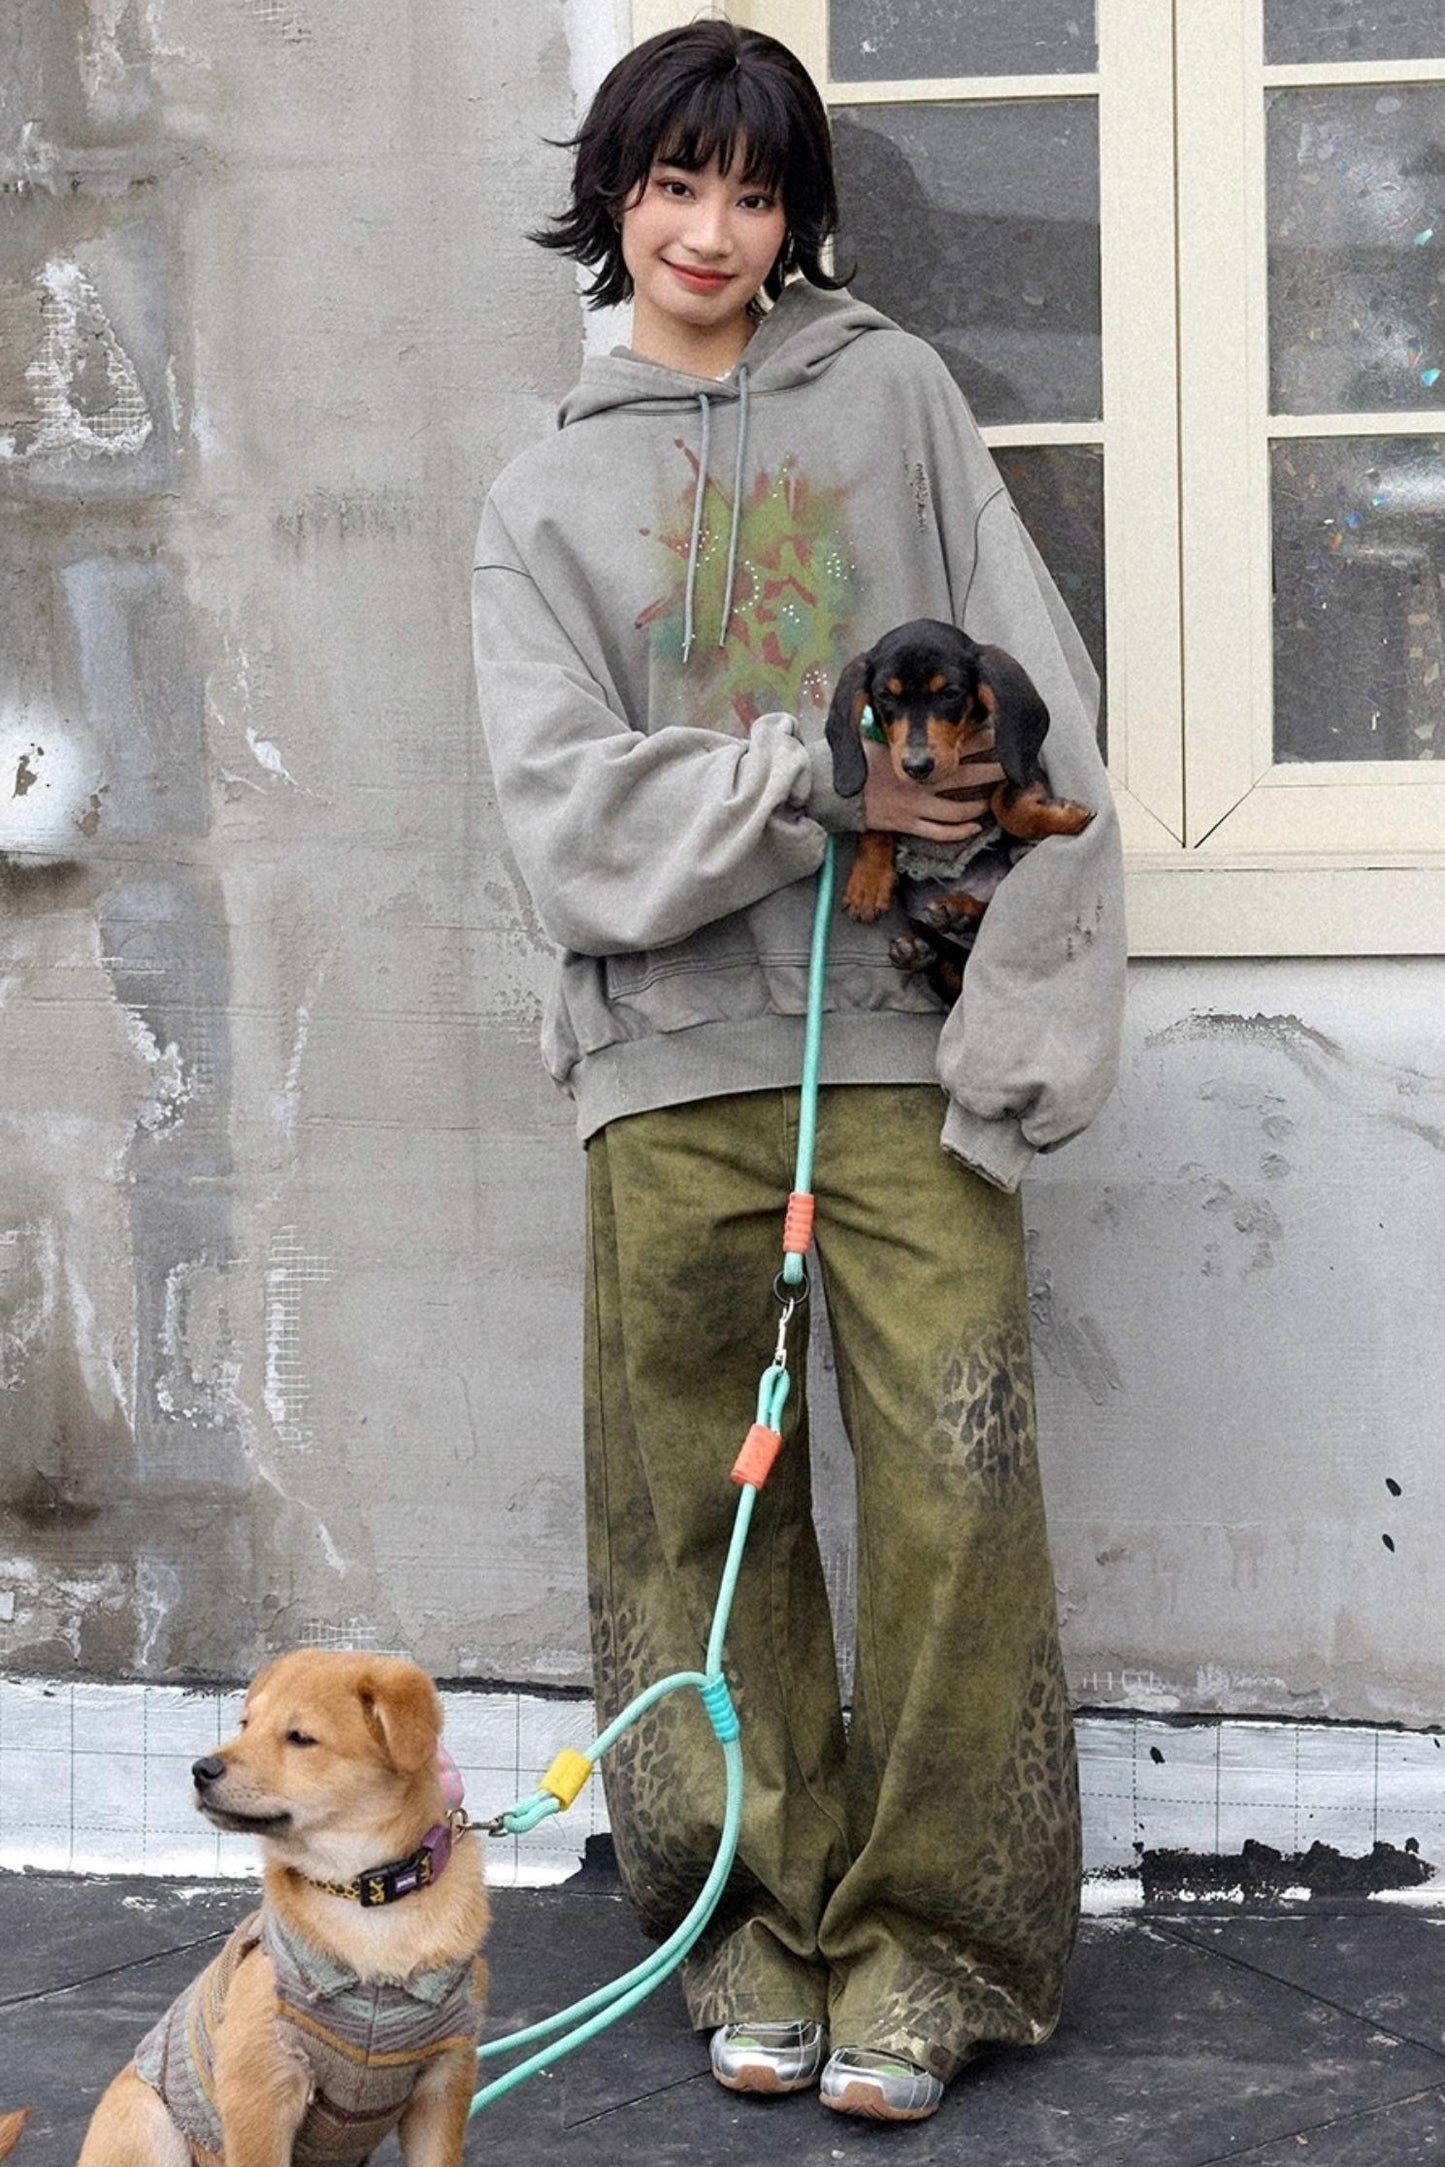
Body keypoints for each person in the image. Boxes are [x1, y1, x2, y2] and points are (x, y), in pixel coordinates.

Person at [471, 19, 1125, 2126]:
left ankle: (934, 1951)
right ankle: (754, 1919)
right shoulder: (541, 492)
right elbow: (569, 827)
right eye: (676, 184)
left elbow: (1042, 715)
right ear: (617, 192)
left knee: (956, 1491)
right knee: (700, 1528)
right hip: (665, 1075)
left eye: (755, 193)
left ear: (795, 212)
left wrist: (1031, 1019)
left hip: (912, 1046)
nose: (714, 232)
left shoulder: (898, 397)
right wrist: (810, 774)